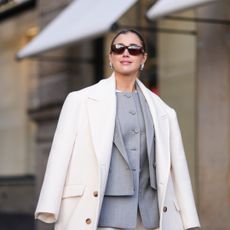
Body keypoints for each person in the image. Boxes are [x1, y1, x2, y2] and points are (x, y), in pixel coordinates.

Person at [34, 29, 201, 230]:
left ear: (143, 58)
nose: (126, 53)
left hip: (150, 217)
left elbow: (178, 168)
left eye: (134, 49)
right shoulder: (81, 100)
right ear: (110, 57)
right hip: (99, 213)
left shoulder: (164, 111)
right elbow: (59, 156)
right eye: (118, 48)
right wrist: (49, 205)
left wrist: (189, 218)